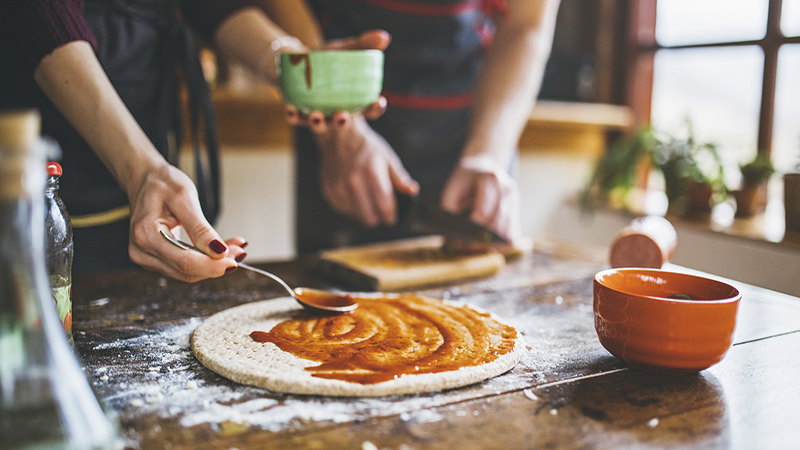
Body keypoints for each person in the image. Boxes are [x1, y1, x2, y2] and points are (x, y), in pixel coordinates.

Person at [0, 0, 380, 282]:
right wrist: (142, 168)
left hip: (135, 185)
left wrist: (295, 66)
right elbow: (39, 16)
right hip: (26, 186)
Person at [286, 0, 561, 253]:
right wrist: (337, 122)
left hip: (472, 130)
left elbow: (525, 27)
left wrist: (488, 154)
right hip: (338, 110)